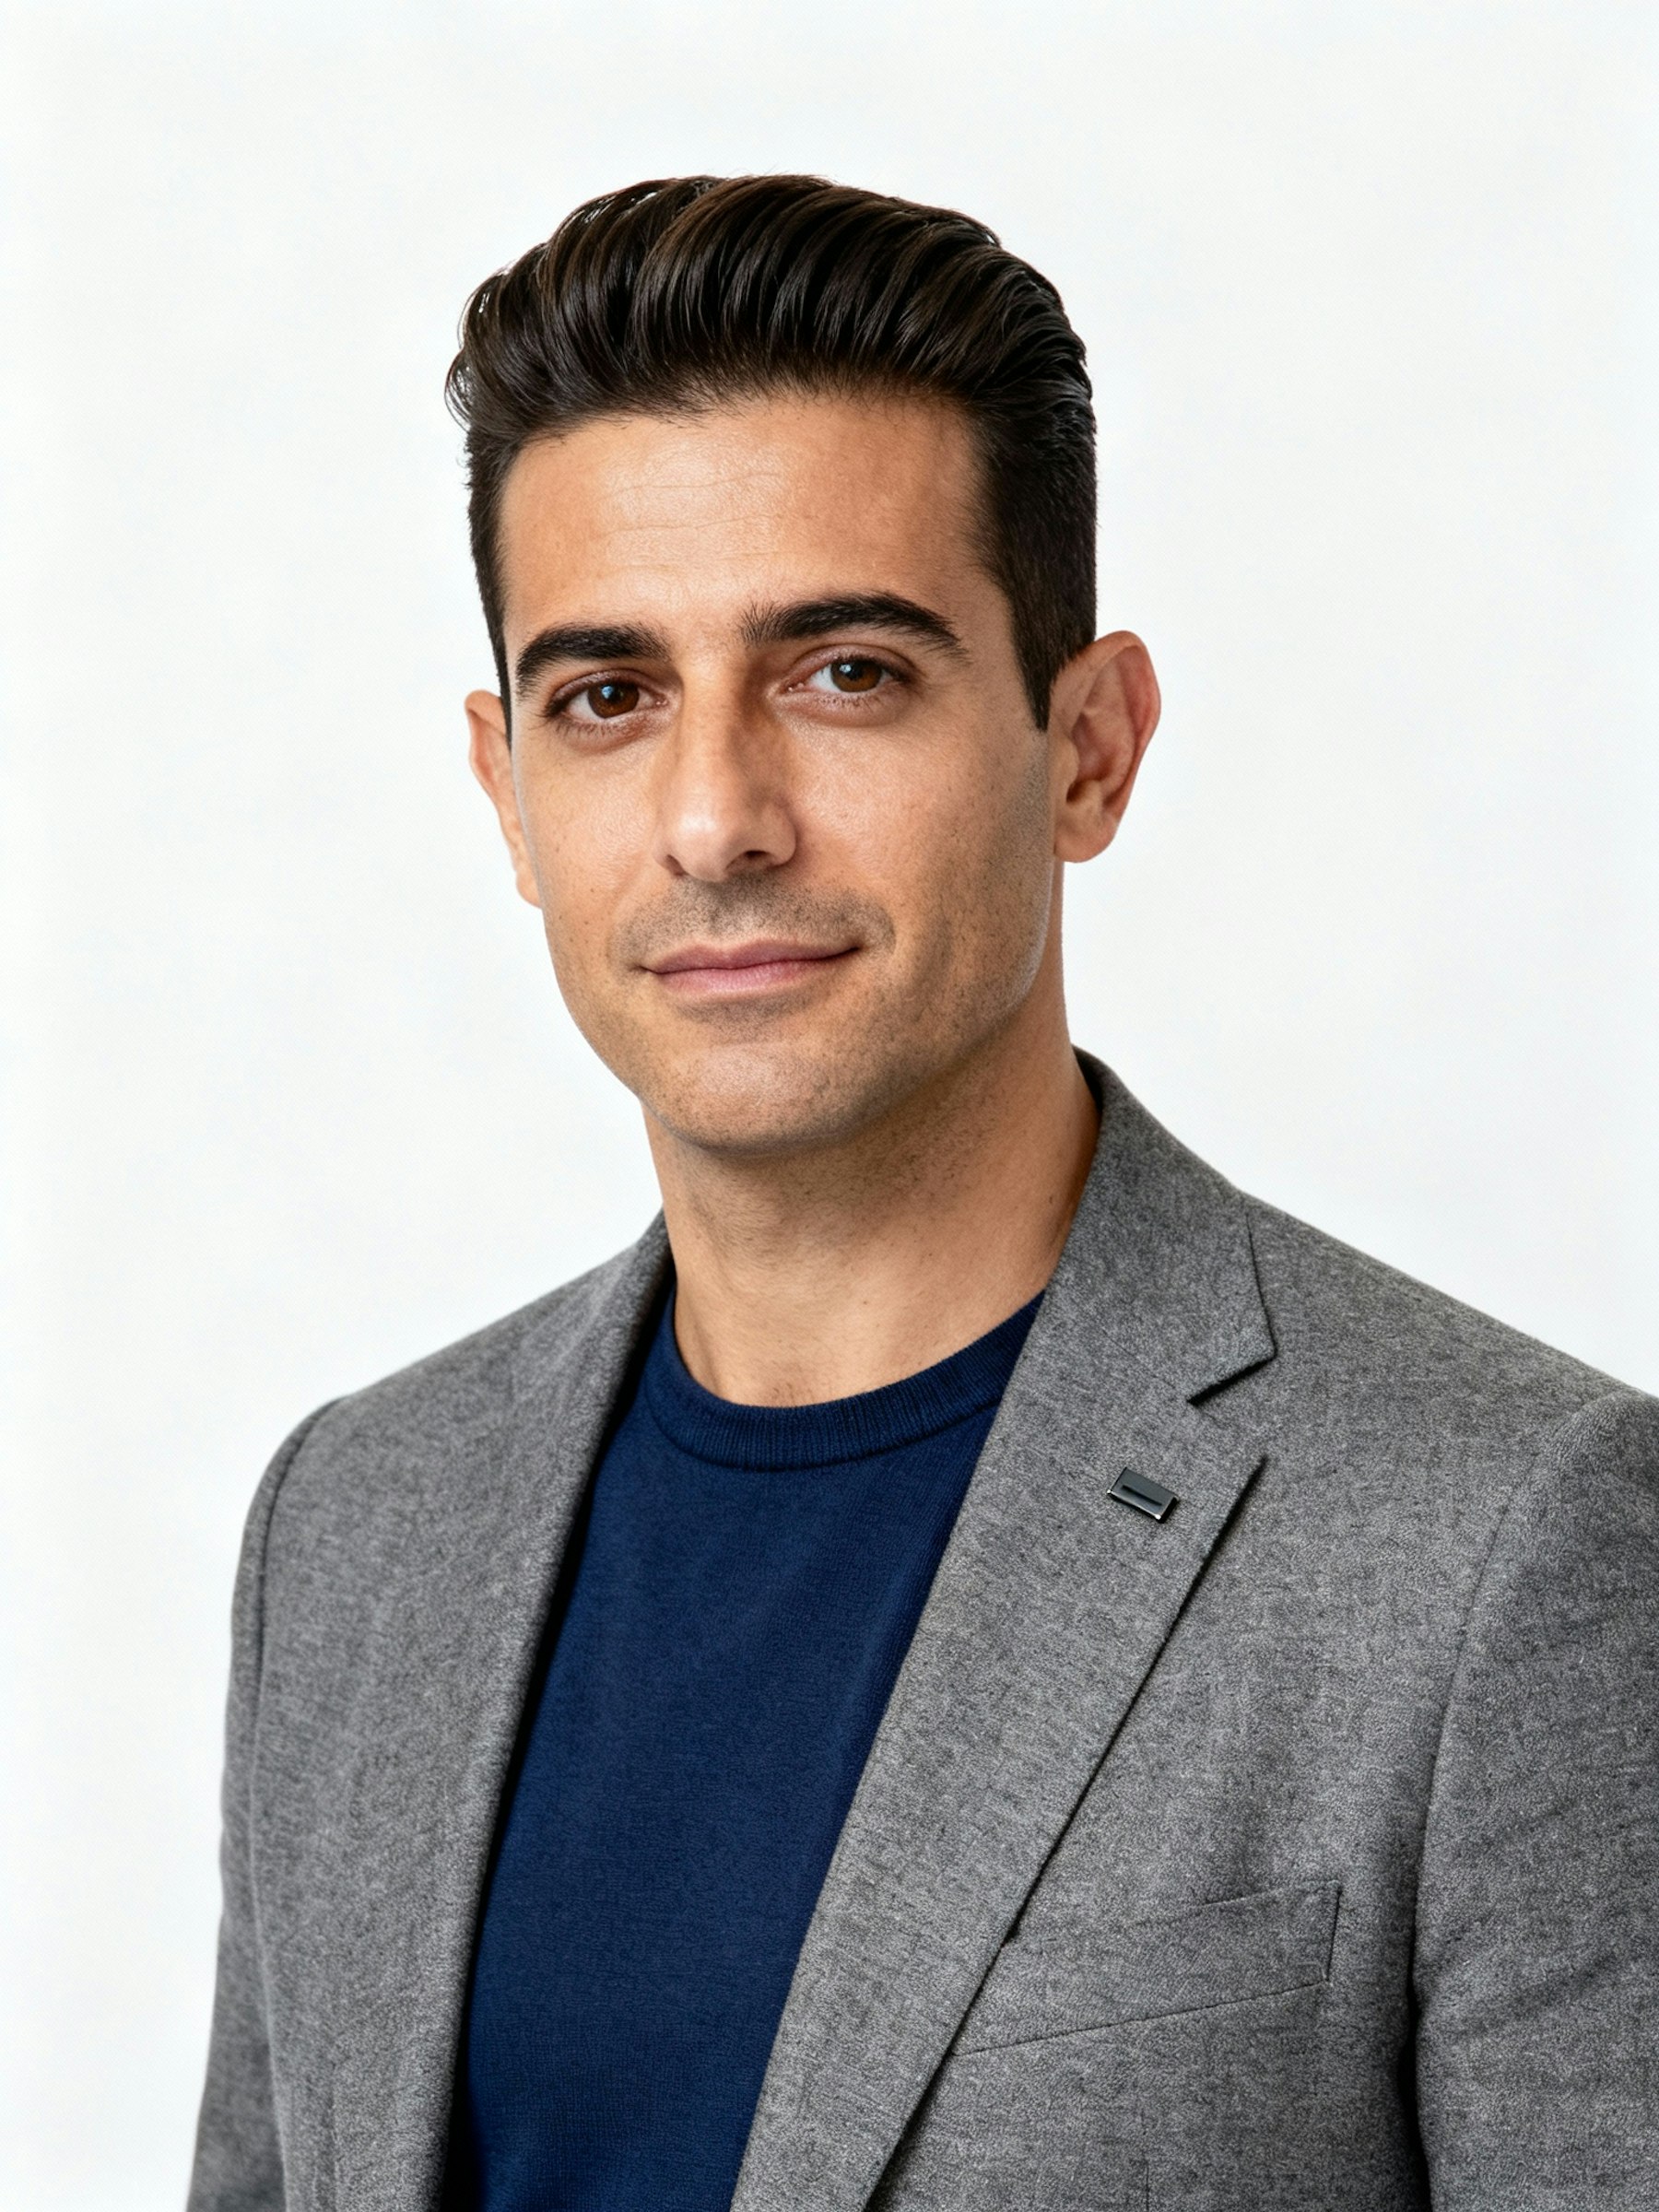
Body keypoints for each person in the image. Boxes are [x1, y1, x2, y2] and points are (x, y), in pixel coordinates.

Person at [187, 175, 1658, 2212]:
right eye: (608, 697)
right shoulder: (356, 1529)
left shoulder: (1508, 1541)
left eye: (846, 673)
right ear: (506, 790)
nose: (717, 820)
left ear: (1089, 750)